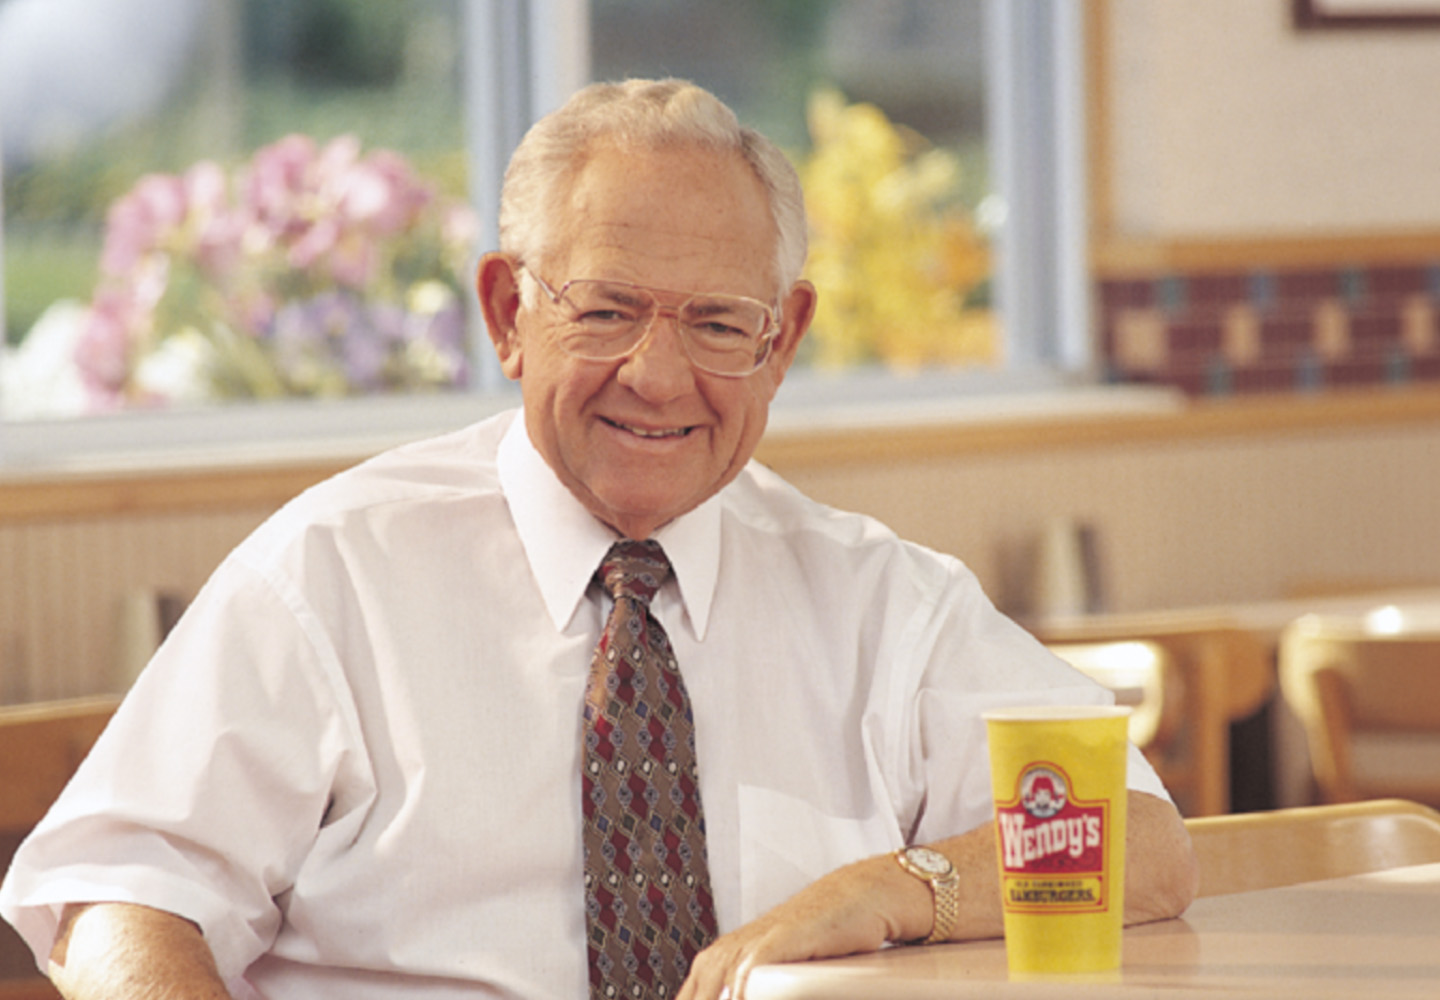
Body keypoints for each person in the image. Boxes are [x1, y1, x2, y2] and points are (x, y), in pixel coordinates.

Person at [0, 78, 1197, 1000]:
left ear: (782, 341)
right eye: (610, 310)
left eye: (721, 322)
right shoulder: (330, 573)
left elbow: (1140, 842)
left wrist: (889, 891)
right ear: (509, 314)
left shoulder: (884, 598)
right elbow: (122, 899)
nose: (659, 375)